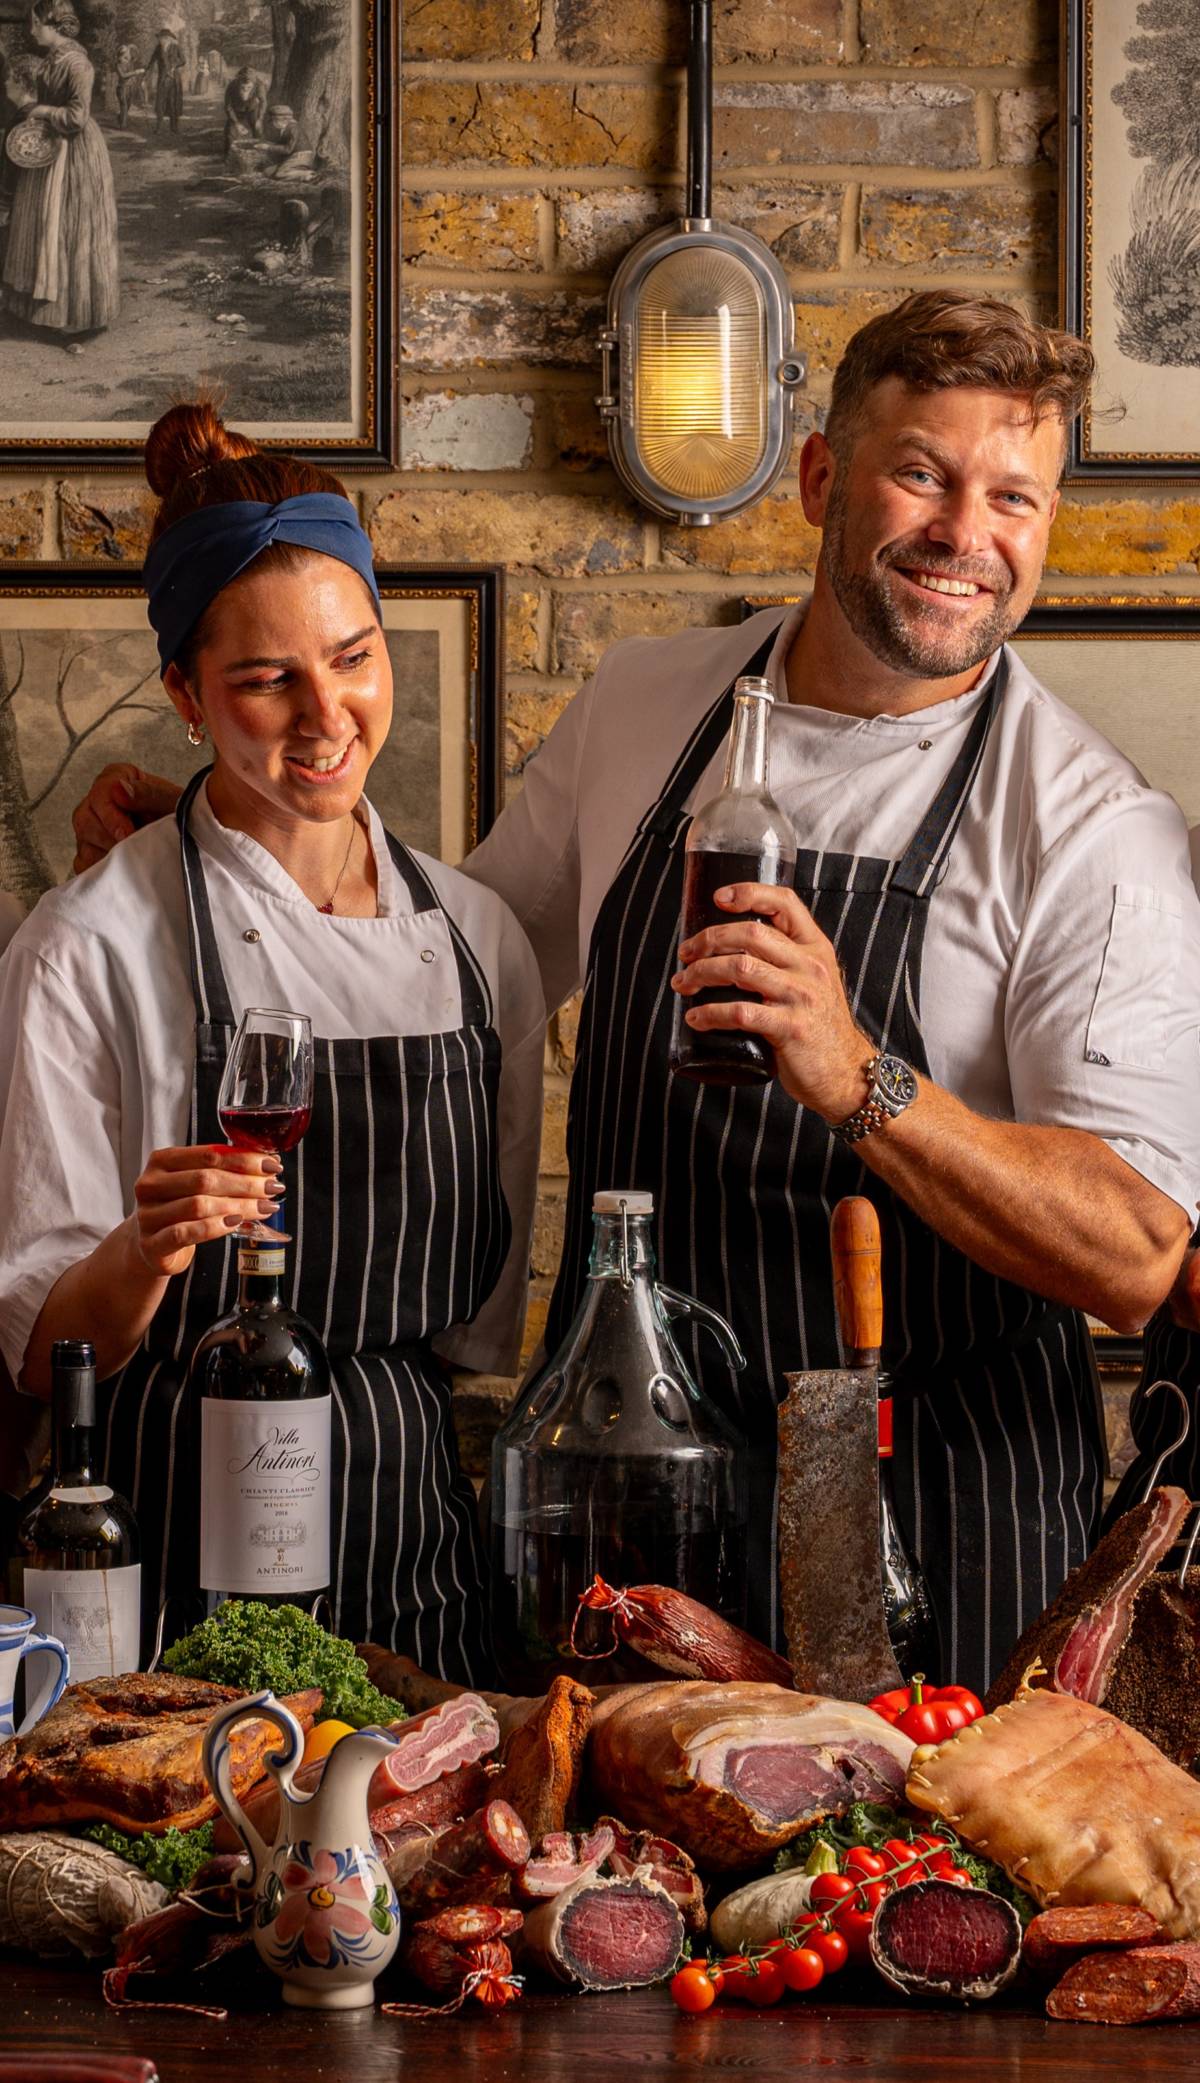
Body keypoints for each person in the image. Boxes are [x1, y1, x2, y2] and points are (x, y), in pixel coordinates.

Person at [67, 296, 1200, 1695]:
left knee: (905, 1905)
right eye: (923, 472)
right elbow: (447, 966)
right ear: (821, 478)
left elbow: (1139, 1244)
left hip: (932, 1523)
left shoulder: (1090, 826)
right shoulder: (648, 705)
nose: (968, 532)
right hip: (631, 1501)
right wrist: (199, 864)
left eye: (1014, 494)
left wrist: (863, 1076)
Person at [0, 403, 545, 1682]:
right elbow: (39, 1351)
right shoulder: (88, 946)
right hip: (167, 1588)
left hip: (417, 1567)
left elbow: (475, 1337)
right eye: (265, 680)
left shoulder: (479, 946)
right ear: (185, 694)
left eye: (353, 657)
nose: (326, 715)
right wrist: (143, 1248)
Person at [0, 0, 118, 336]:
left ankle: (78, 317)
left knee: (69, 228)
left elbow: (78, 117)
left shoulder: (78, 63)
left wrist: (41, 112)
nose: (32, 30)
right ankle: (36, 313)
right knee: (41, 227)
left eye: (36, 23)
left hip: (74, 151)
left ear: (54, 24)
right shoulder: (52, 58)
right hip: (48, 148)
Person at [144, 24, 183, 135]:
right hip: (162, 80)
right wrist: (146, 71)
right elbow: (152, 61)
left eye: (162, 38)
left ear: (168, 39)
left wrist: (175, 65)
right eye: (160, 38)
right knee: (160, 103)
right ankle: (159, 127)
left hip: (174, 80)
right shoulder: (158, 49)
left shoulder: (176, 47)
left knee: (173, 103)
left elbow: (183, 60)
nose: (160, 40)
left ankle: (174, 127)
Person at [223, 65, 263, 157]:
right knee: (230, 133)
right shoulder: (232, 86)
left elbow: (263, 102)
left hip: (252, 109)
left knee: (259, 130)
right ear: (238, 81)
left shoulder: (259, 85)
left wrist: (260, 119)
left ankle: (258, 155)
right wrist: (236, 123)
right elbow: (228, 106)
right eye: (243, 87)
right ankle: (229, 157)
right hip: (236, 110)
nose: (245, 89)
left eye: (249, 87)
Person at [114, 43, 143, 128]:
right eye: (125, 56)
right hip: (122, 88)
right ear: (120, 56)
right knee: (124, 106)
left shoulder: (129, 63)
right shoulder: (118, 65)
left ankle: (120, 117)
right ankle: (123, 125)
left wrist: (133, 47)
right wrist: (135, 72)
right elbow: (123, 76)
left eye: (128, 55)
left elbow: (136, 56)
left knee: (128, 106)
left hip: (130, 88)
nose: (127, 57)